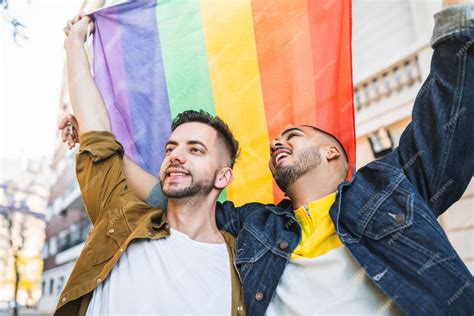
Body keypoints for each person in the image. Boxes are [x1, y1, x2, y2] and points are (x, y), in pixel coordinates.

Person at [61, 1, 474, 315]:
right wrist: (93, 135)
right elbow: (169, 192)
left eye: (293, 135)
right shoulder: (253, 228)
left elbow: (449, 104)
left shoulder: (393, 186)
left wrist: (457, 15)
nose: (278, 142)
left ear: (334, 152)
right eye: (278, 140)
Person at [54, 14, 245, 316]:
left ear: (224, 176)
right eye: (171, 148)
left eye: (195, 149)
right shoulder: (121, 215)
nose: (176, 156)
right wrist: (75, 42)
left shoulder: (246, 261)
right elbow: (98, 135)